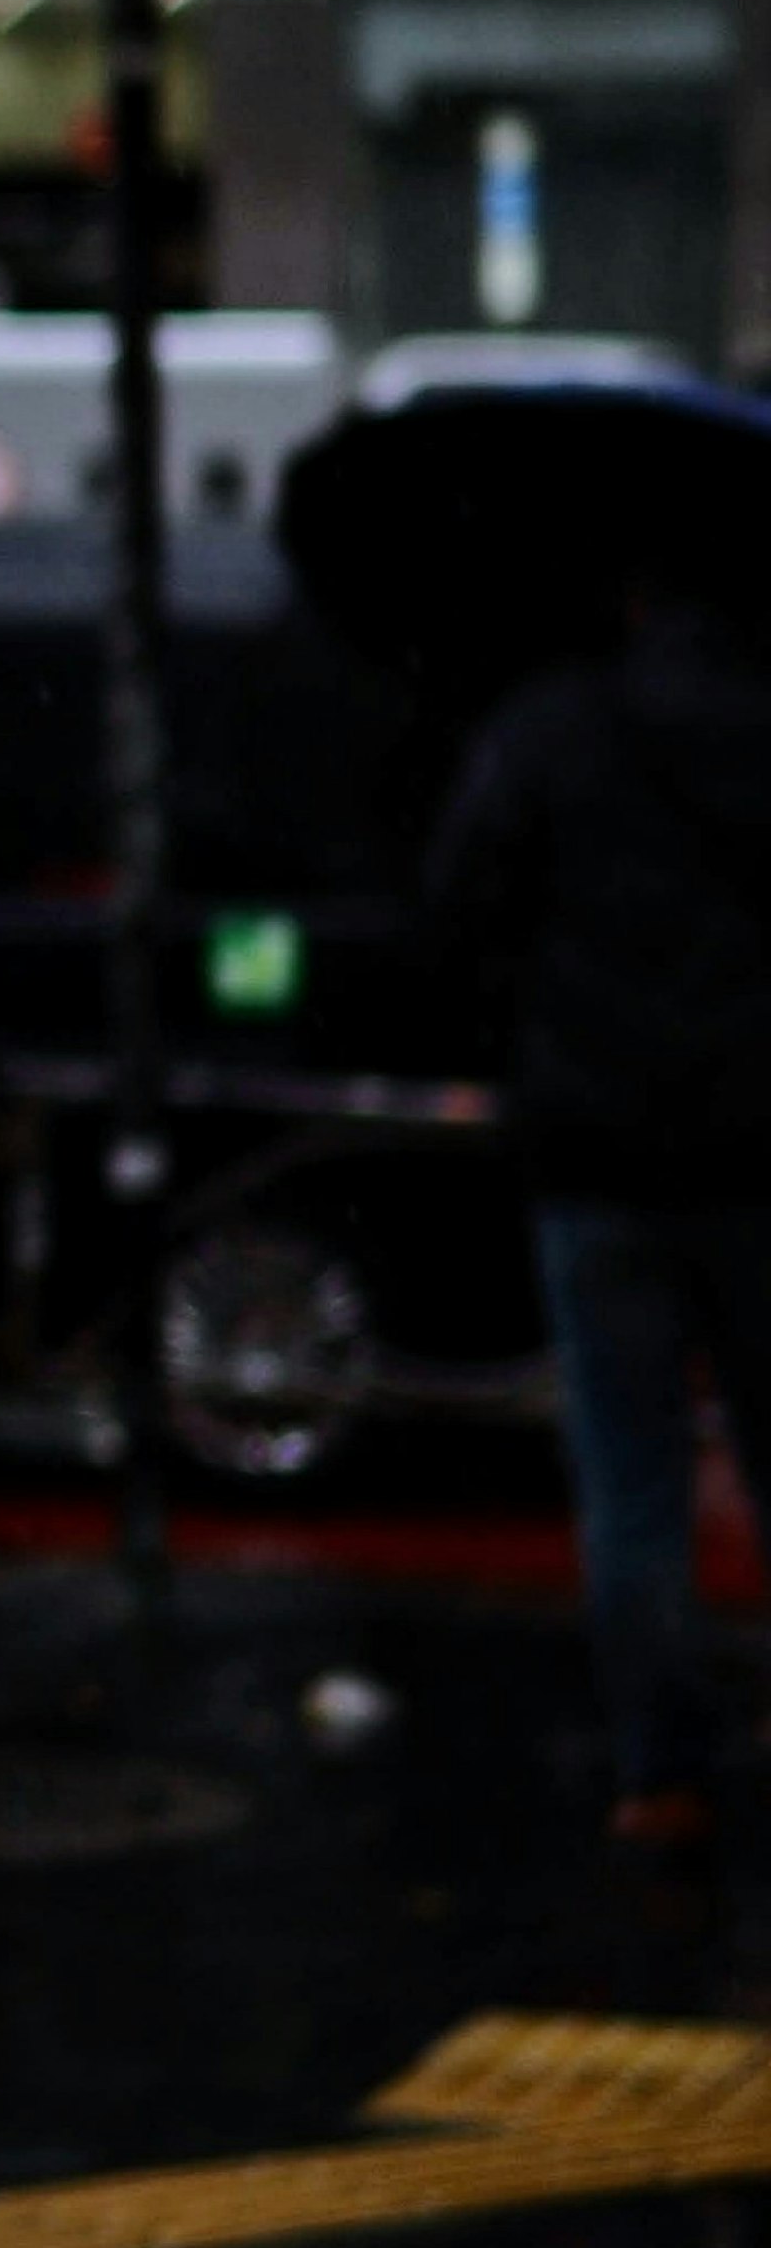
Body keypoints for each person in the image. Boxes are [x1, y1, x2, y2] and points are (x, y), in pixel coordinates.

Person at [428, 573, 771, 1841]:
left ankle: (663, 1768)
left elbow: (461, 902)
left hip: (593, 1159)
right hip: (755, 1156)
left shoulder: (550, 728)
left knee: (633, 1480)